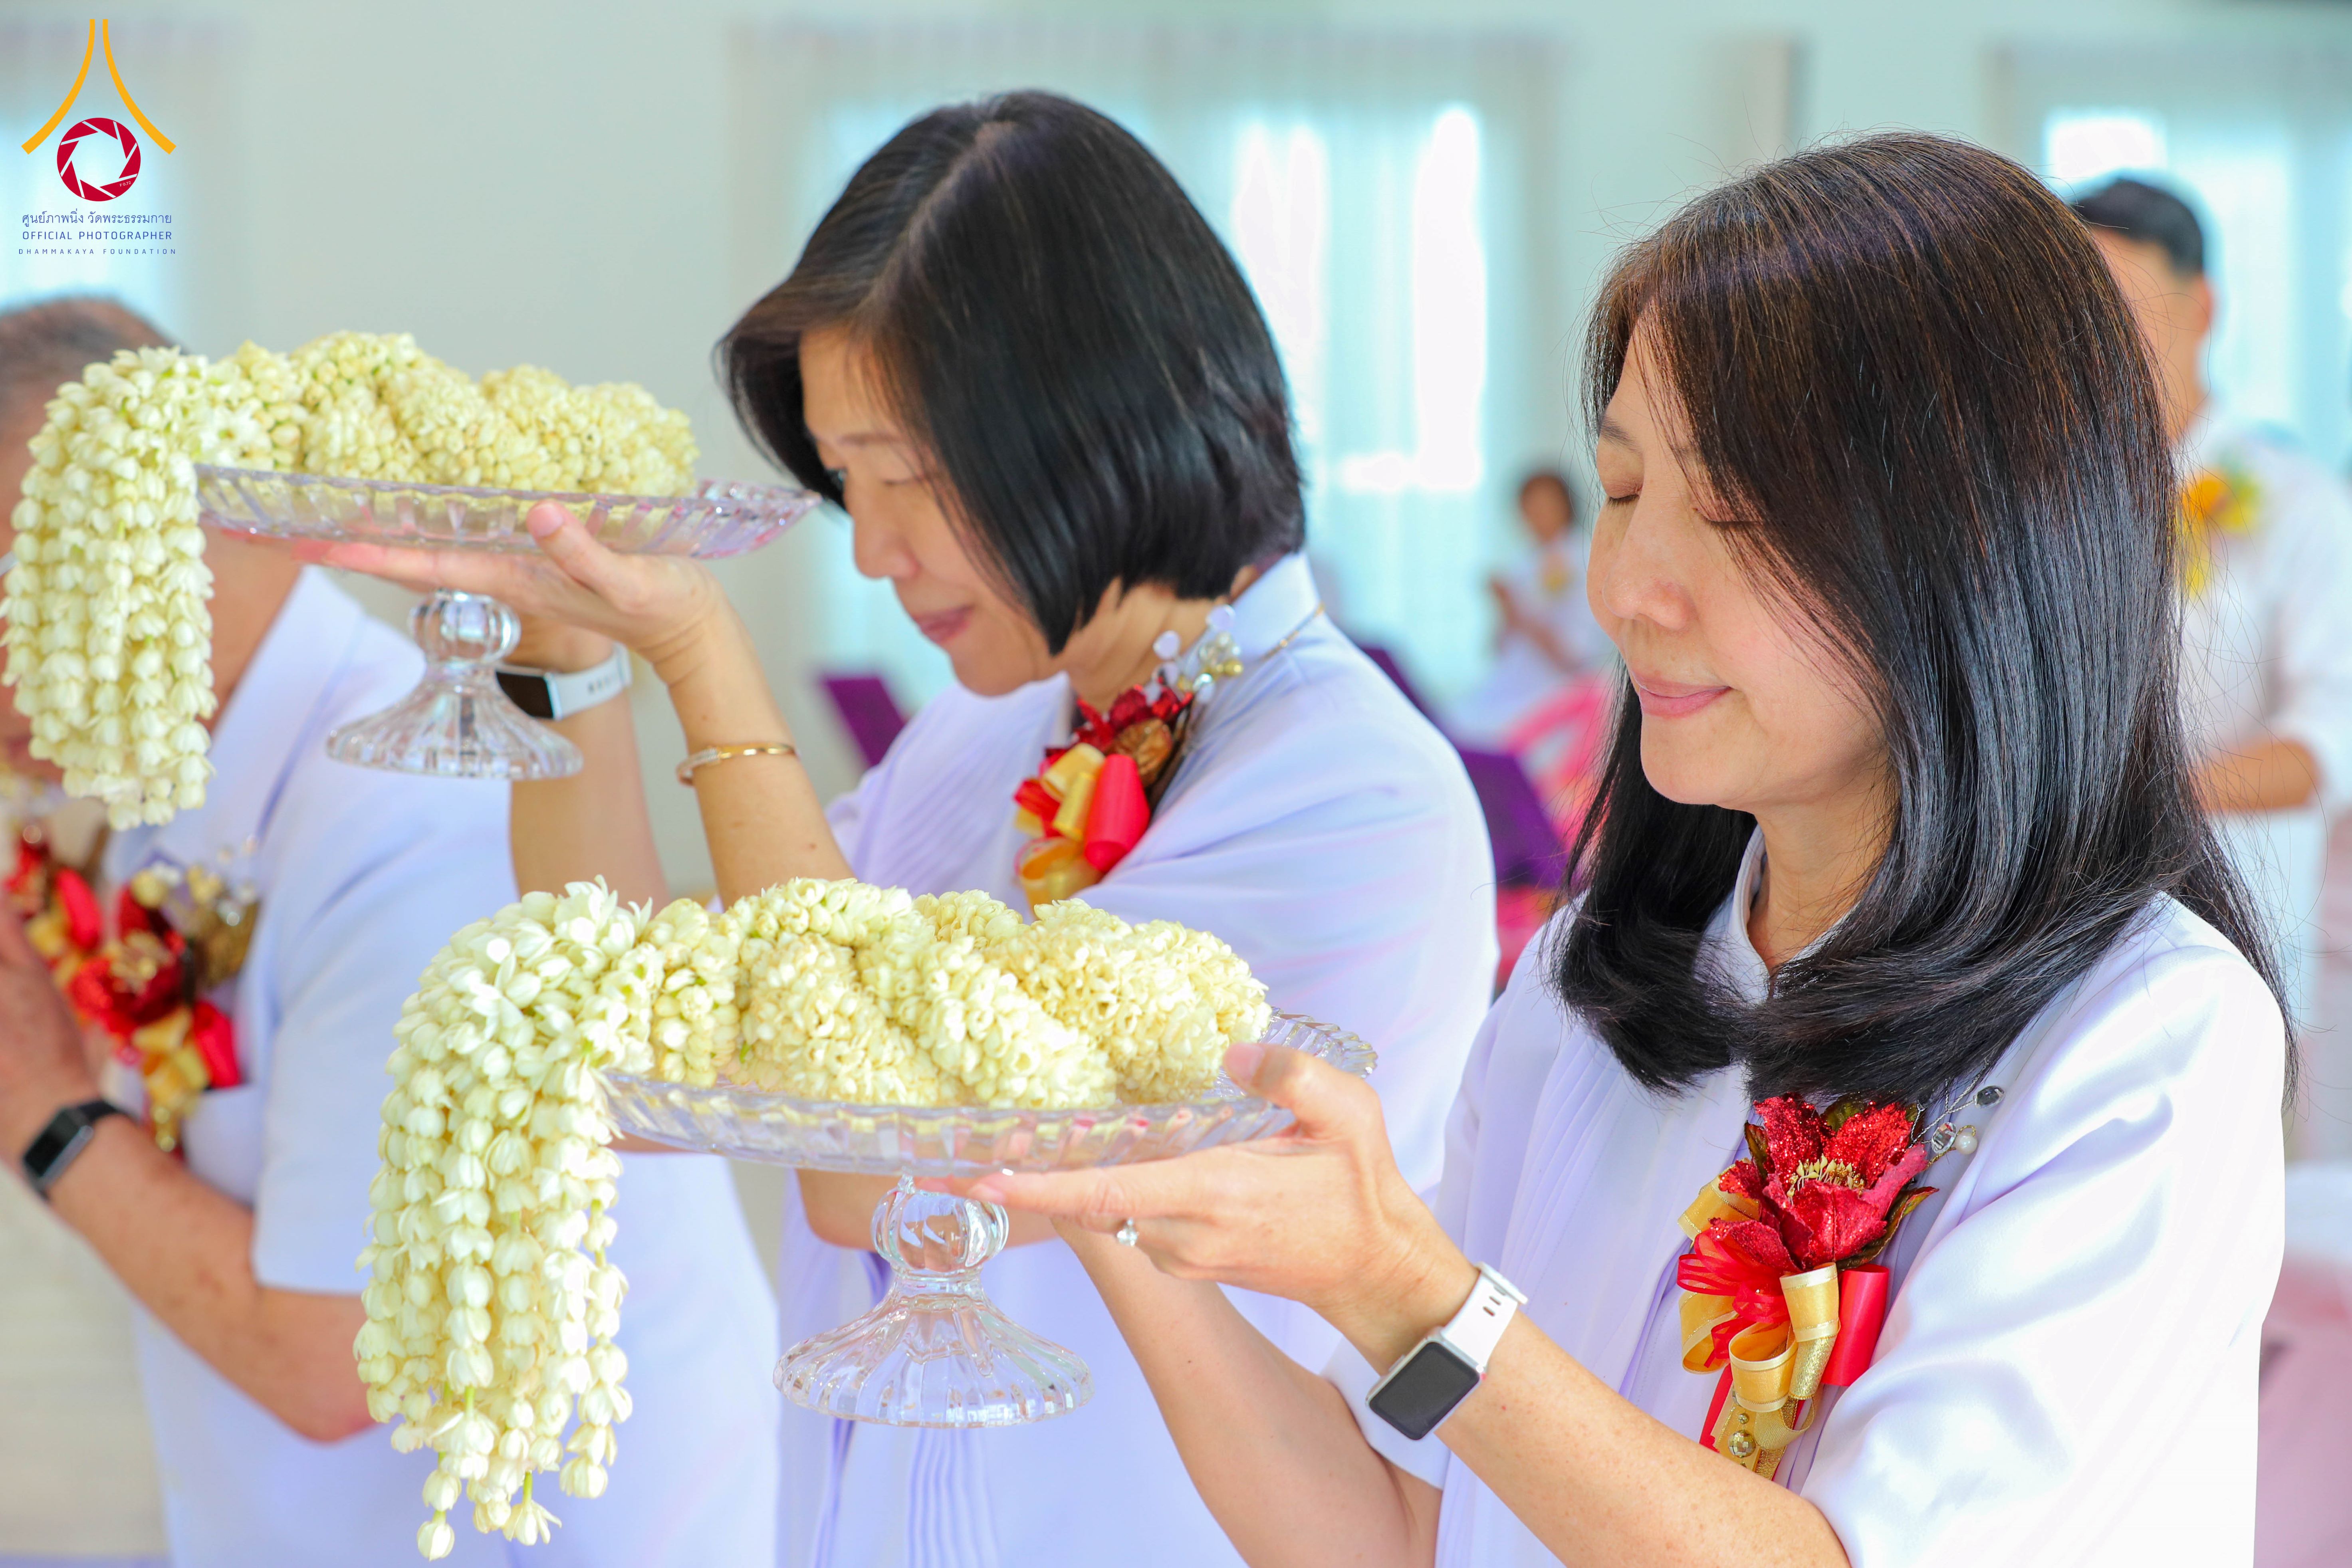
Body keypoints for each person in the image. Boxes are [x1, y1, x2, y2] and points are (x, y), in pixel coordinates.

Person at [941, 135, 2289, 1567]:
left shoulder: (2146, 1040)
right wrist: (1107, 1200)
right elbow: (1392, 1529)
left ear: (1979, 545)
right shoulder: (1595, 979)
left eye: (1736, 511)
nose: (1626, 587)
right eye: (1625, 488)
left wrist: (1406, 1286)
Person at [314, 91, 1496, 1568]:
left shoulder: (1348, 796)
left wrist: (707, 660)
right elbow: (635, 992)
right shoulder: (989, 730)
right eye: (845, 484)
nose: (873, 554)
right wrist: (566, 655)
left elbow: (869, 1169)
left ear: (1089, 417)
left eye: (911, 477)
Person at [0, 299, 781, 1568]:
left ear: (202, 518)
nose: (10, 650)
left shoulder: (410, 811)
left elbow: (327, 1353)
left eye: (33, 581)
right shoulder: (163, 767)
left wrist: (46, 1112)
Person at [2074, 175, 2352, 1154]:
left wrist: (2142, 805)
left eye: (2126, 307)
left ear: (2202, 307)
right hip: (2065, 956)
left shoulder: (2295, 503)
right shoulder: (2049, 506)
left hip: (2241, 948)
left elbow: (2327, 751)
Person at [1448, 468, 1613, 747]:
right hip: (1517, 680)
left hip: (1558, 690)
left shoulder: (1583, 557)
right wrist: (1503, 608)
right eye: (1530, 507)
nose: (1538, 515)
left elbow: (1572, 655)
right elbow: (1500, 649)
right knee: (1457, 723)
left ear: (1566, 505)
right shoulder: (1526, 561)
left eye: (1546, 505)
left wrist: (1517, 607)